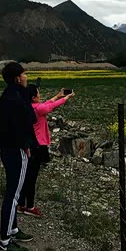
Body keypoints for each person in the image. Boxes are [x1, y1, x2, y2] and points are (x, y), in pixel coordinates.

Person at [0, 62, 38, 251]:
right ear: (17, 78)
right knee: (13, 196)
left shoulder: (10, 94)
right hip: (16, 150)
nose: (26, 77)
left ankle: (12, 229)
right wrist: (26, 146)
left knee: (12, 192)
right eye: (24, 74)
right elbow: (23, 123)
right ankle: (5, 242)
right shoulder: (15, 99)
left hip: (9, 148)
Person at [18, 85, 75, 217]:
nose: (40, 95)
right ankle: (30, 206)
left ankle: (21, 204)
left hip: (30, 145)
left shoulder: (29, 107)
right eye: (38, 93)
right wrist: (66, 97)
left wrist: (58, 95)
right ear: (33, 97)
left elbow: (46, 104)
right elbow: (51, 106)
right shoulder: (38, 109)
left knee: (26, 176)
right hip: (38, 145)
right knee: (32, 178)